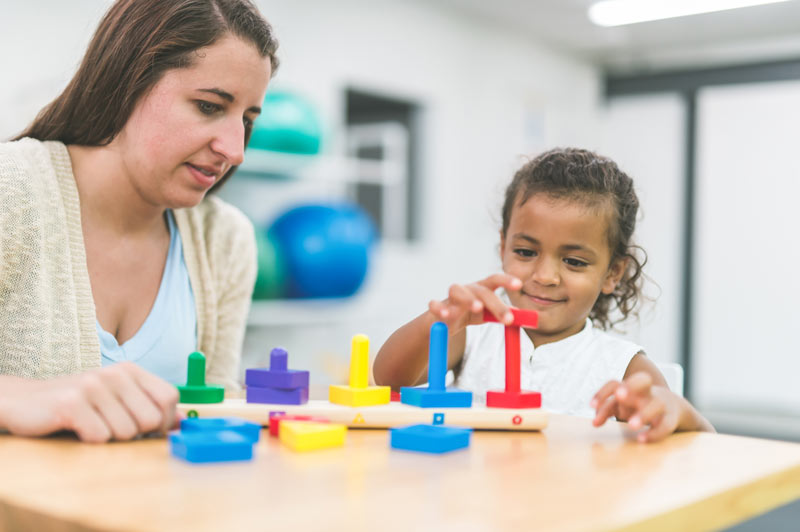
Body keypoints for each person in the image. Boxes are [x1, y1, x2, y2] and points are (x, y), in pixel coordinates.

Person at [0, 0, 278, 442]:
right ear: (127, 81)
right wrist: (16, 398)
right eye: (209, 106)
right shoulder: (10, 189)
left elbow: (213, 422)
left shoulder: (225, 240)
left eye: (246, 120)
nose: (235, 149)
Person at [374, 147, 714, 442]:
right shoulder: (472, 335)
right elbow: (389, 377)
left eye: (574, 261)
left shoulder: (624, 367)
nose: (545, 276)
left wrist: (679, 412)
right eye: (525, 252)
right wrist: (441, 319)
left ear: (612, 273)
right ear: (503, 245)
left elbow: (702, 449)